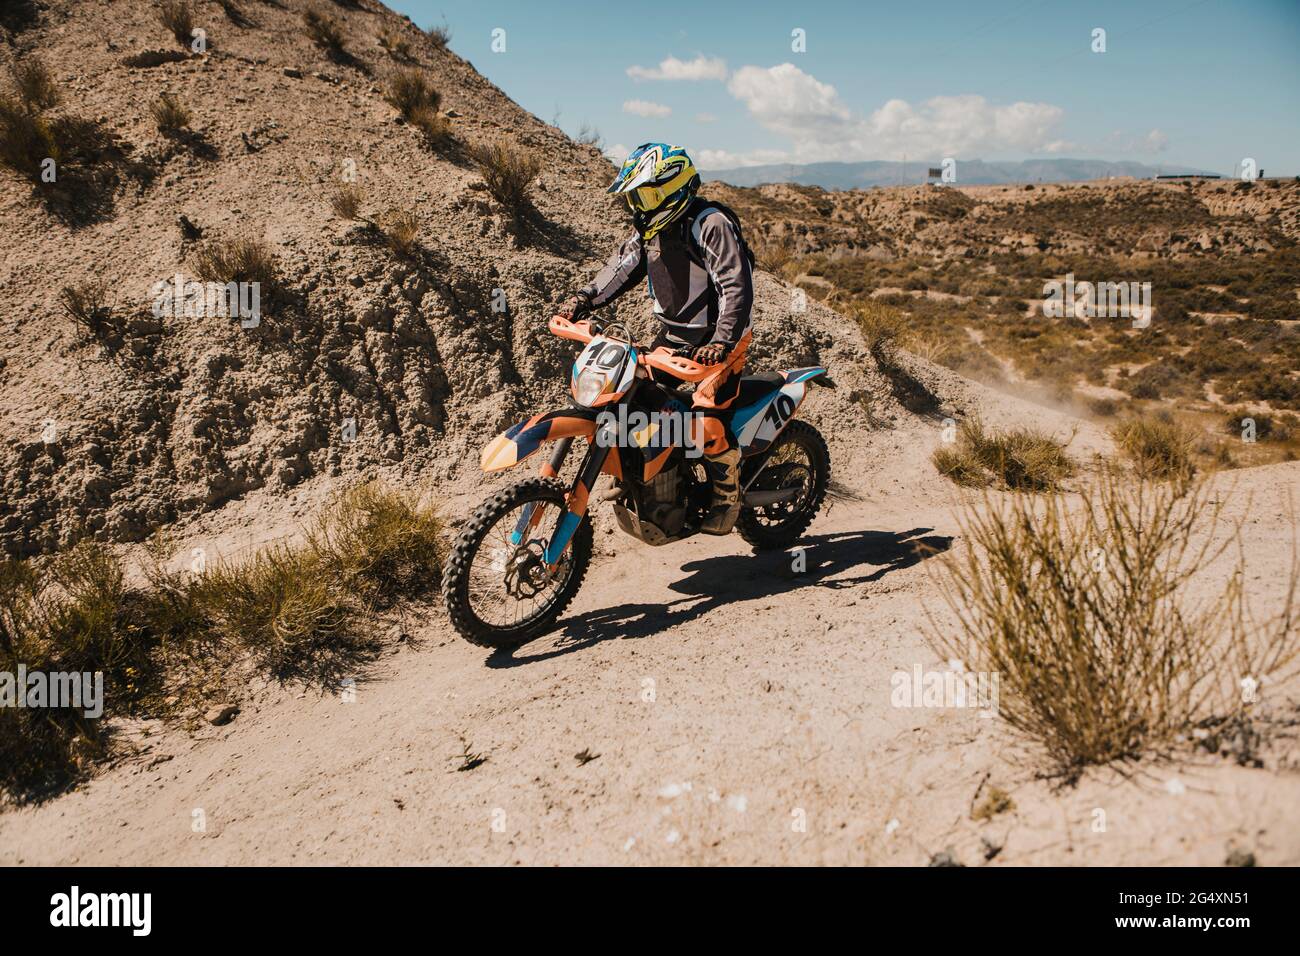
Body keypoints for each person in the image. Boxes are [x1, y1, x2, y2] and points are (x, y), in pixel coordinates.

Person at [555, 143, 755, 535]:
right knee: (633, 398)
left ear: (673, 188)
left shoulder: (710, 224)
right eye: (635, 197)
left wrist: (723, 341)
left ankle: (726, 499)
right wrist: (583, 300)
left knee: (705, 420)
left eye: (645, 195)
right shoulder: (651, 228)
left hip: (719, 343)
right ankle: (642, 477)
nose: (639, 206)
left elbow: (736, 287)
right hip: (674, 336)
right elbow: (622, 268)